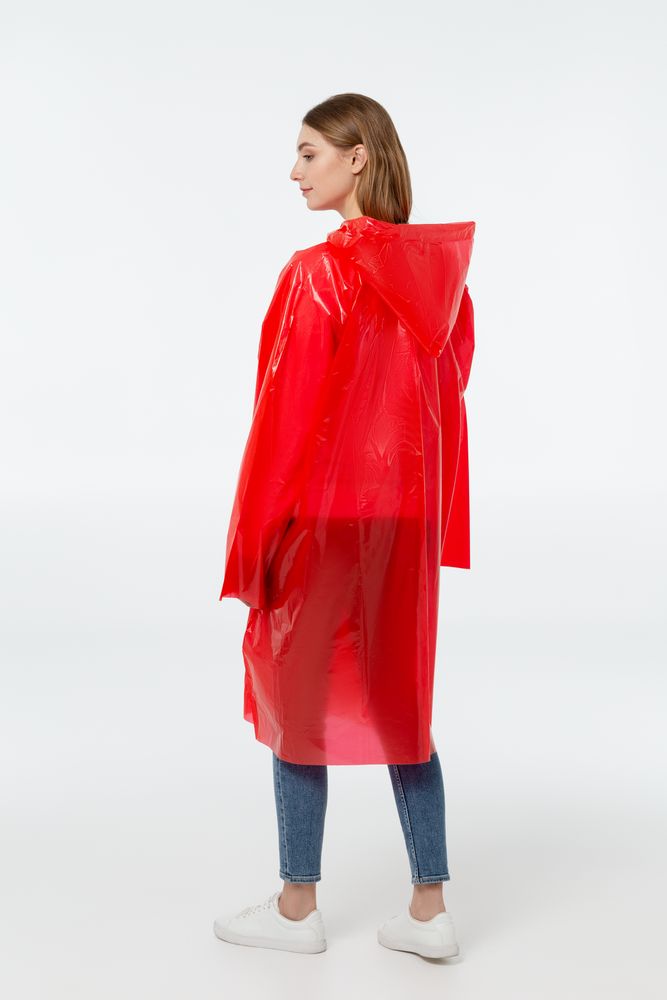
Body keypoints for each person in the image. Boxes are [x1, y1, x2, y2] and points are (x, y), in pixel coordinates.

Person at [214, 93, 475, 959]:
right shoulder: (441, 283)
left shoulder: (316, 274)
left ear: (357, 156)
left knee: (297, 698)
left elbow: (284, 420)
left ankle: (297, 909)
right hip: (404, 517)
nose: (294, 172)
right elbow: (446, 400)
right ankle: (430, 911)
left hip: (324, 520)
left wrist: (256, 539)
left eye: (308, 153)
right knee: (402, 703)